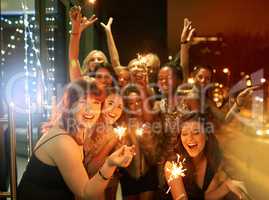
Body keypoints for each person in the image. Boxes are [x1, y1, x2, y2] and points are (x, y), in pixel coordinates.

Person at [17, 80, 135, 200]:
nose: (90, 110)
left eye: (96, 103)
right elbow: (85, 193)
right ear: (70, 105)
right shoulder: (63, 141)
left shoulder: (79, 129)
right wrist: (110, 163)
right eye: (83, 102)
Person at [164, 114, 247, 200]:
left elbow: (204, 198)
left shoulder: (213, 160)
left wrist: (226, 186)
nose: (190, 138)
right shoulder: (173, 165)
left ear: (207, 135)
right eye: (184, 134)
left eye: (196, 133)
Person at [68, 6, 108, 82]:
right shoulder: (81, 81)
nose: (96, 61)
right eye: (92, 60)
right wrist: (76, 29)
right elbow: (73, 59)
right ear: (87, 64)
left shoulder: (112, 82)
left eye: (99, 59)